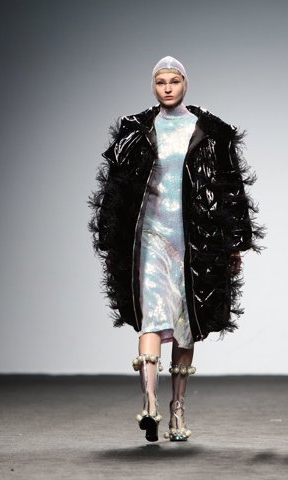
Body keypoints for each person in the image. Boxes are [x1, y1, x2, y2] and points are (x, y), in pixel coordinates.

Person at [90, 56, 262, 442]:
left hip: (193, 240)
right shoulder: (136, 130)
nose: (167, 88)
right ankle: (150, 403)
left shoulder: (209, 130)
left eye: (174, 81)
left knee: (186, 324)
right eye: (160, 82)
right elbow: (115, 188)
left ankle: (177, 409)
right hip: (149, 237)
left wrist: (234, 243)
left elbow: (229, 187)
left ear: (186, 83)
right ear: (153, 86)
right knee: (151, 317)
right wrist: (111, 239)